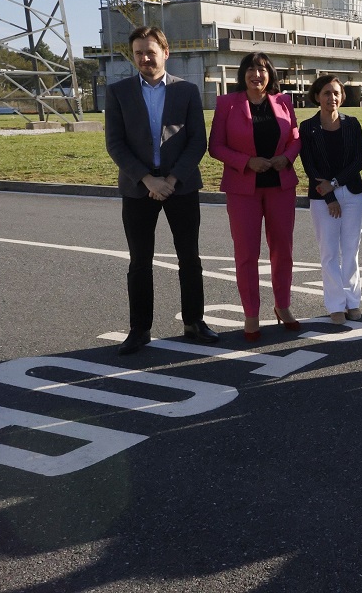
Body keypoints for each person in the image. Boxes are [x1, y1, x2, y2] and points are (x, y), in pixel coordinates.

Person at [104, 26, 218, 355]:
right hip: (138, 188)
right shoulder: (119, 92)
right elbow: (115, 144)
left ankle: (194, 322)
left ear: (165, 53)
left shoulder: (187, 91)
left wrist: (171, 180)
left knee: (189, 258)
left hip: (180, 187)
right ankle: (139, 329)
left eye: (150, 52)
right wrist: (147, 179)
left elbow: (198, 140)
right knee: (140, 261)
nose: (144, 58)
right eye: (138, 52)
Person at [209, 52, 302, 342]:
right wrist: (247, 162)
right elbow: (216, 146)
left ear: (270, 74)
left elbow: (295, 137)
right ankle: (251, 313)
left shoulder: (284, 102)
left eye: (262, 69)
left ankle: (282, 306)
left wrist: (286, 158)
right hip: (243, 189)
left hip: (280, 186)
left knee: (282, 251)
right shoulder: (227, 103)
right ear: (242, 74)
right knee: (247, 253)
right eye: (250, 69)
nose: (256, 74)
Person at [299, 74, 362, 325]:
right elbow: (310, 167)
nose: (332, 97)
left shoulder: (352, 124)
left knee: (351, 251)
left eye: (336, 93)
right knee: (328, 253)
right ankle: (335, 305)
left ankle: (353, 301)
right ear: (317, 96)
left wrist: (336, 184)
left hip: (353, 194)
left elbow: (358, 162)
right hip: (321, 197)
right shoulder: (307, 127)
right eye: (327, 93)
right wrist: (329, 196)